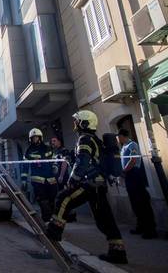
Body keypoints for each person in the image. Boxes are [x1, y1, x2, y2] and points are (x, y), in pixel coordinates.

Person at [46, 110, 128, 264]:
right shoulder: (93, 139)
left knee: (63, 198)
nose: (74, 124)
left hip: (89, 184)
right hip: (99, 185)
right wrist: (66, 153)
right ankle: (118, 252)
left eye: (76, 121)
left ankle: (54, 231)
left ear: (84, 123)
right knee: (104, 220)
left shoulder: (84, 139)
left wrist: (73, 178)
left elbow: (83, 161)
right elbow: (86, 158)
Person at [118, 128, 157, 239]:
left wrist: (124, 171)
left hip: (135, 174)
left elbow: (133, 160)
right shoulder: (123, 147)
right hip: (129, 176)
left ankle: (150, 230)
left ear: (123, 136)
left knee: (142, 203)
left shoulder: (132, 145)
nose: (118, 139)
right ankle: (140, 226)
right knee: (135, 203)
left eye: (119, 136)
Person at [21, 128, 57, 222]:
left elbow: (53, 159)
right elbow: (25, 166)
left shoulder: (47, 148)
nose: (35, 139)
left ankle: (52, 220)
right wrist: (24, 180)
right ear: (30, 139)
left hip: (51, 180)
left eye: (36, 137)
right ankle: (46, 221)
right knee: (42, 201)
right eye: (33, 138)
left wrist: (55, 166)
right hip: (38, 181)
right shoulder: (29, 151)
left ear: (40, 137)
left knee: (52, 201)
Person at [50, 135, 76, 223]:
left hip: (63, 178)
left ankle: (71, 216)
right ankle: (62, 215)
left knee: (66, 197)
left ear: (59, 141)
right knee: (59, 198)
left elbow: (64, 163)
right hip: (56, 179)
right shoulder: (54, 152)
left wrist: (61, 175)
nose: (52, 143)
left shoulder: (64, 151)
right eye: (52, 141)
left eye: (54, 141)